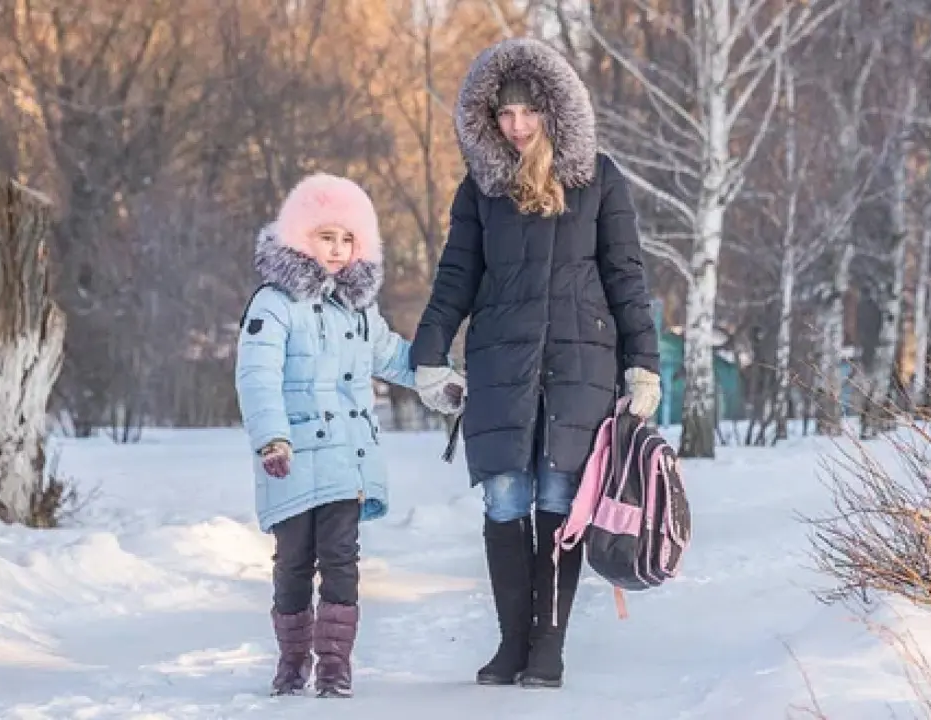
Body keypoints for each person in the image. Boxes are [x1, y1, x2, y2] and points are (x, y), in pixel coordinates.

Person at [410, 37, 662, 689]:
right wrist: (429, 355)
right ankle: (511, 644)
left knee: (557, 496)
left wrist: (643, 363)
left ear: (554, 110)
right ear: (488, 120)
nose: (517, 127)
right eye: (504, 115)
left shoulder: (597, 178)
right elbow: (456, 276)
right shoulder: (481, 189)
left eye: (529, 113)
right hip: (500, 360)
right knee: (503, 499)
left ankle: (547, 646)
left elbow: (626, 276)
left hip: (581, 362)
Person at [235, 173, 465, 698]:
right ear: (300, 236)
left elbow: (392, 356)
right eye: (326, 237)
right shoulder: (273, 304)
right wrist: (272, 438)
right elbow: (257, 376)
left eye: (347, 239)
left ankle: (335, 663)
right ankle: (292, 661)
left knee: (341, 557)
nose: (337, 250)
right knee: (293, 562)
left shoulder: (358, 310)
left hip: (345, 460)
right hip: (289, 458)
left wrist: (438, 381)